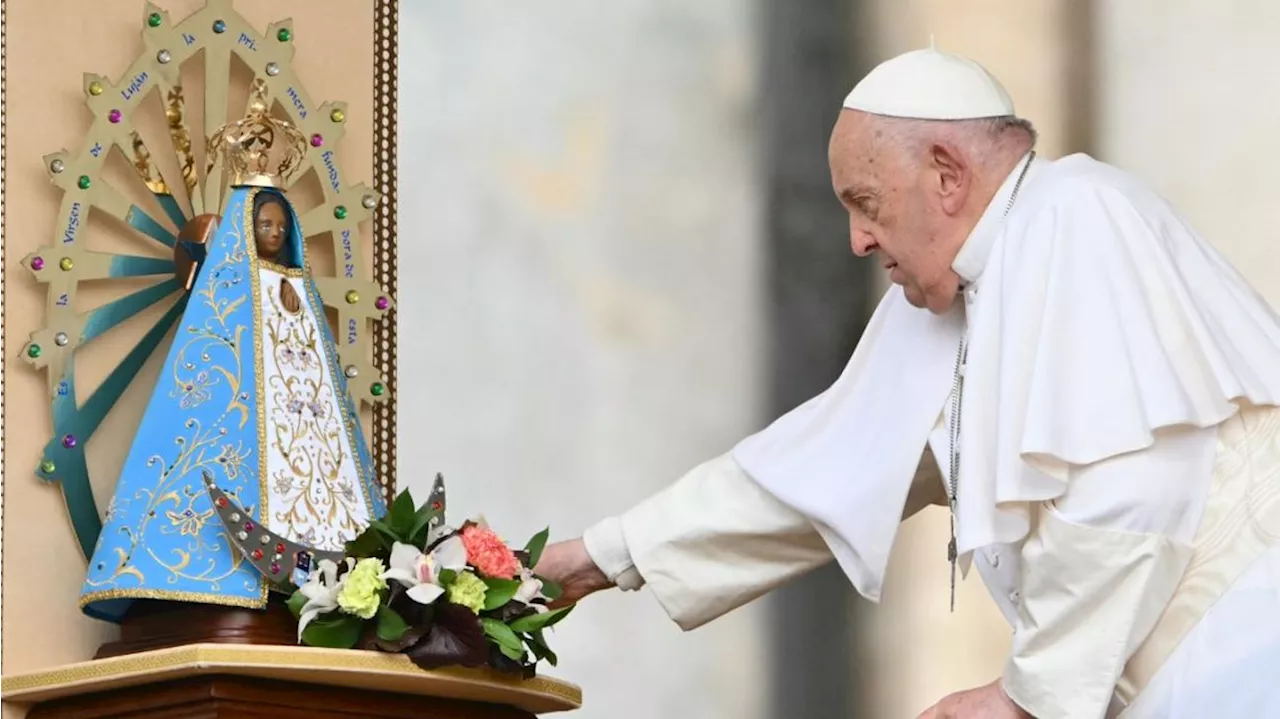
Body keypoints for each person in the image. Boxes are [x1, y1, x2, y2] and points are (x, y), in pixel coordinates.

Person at [537, 46, 1280, 719]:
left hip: (1244, 643)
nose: (859, 239)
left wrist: (1028, 695)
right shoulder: (957, 286)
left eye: (866, 202)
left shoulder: (1075, 215)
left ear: (948, 174)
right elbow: (817, 470)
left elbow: (1133, 486)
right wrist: (599, 556)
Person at [80, 180, 386, 622]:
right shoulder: (223, 290)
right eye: (265, 224)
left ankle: (321, 579)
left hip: (301, 424)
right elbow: (209, 372)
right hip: (244, 429)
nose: (275, 234)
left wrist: (290, 302)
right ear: (245, 228)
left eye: (282, 226)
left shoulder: (299, 291)